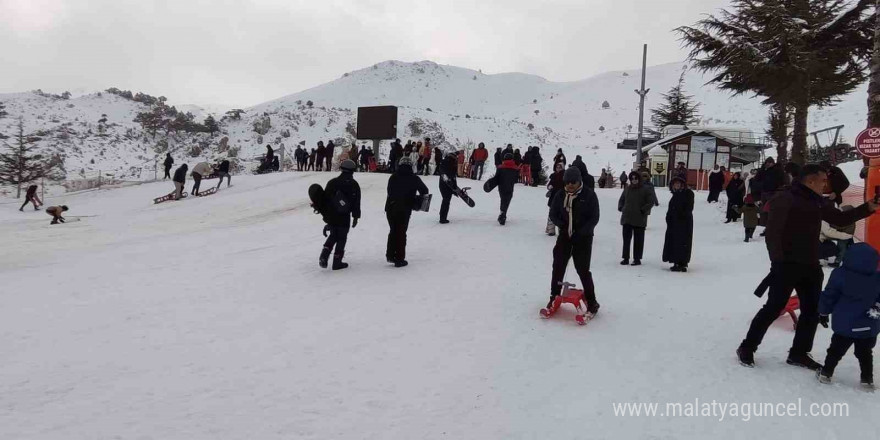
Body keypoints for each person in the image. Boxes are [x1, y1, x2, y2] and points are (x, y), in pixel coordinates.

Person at [737, 164, 878, 370]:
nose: (825, 184)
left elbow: (840, 219)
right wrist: (778, 263)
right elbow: (773, 235)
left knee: (812, 310)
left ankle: (799, 353)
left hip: (810, 264)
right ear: (811, 181)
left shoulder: (817, 201)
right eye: (822, 181)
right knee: (773, 307)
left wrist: (868, 207)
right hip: (786, 265)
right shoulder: (785, 199)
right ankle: (747, 347)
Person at [816, 243, 880, 390]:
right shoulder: (877, 277)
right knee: (865, 353)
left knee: (835, 350)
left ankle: (826, 373)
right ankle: (867, 379)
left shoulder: (840, 274)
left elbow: (829, 296)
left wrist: (823, 312)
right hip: (868, 323)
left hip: (845, 324)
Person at [546, 166, 601, 318]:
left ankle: (592, 302)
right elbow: (553, 213)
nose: (570, 184)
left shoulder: (589, 195)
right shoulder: (560, 195)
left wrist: (582, 231)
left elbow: (594, 217)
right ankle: (553, 297)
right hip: (565, 236)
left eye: (573, 182)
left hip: (583, 239)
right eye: (567, 182)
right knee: (558, 266)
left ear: (579, 181)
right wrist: (562, 225)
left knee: (583, 270)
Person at [385, 156, 429, 267]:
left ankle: (390, 255)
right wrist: (416, 201)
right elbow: (425, 191)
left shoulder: (393, 177)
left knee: (393, 230)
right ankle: (399, 259)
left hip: (390, 207)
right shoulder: (414, 178)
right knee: (401, 233)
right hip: (404, 209)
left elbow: (389, 191)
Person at [319, 159, 361, 270]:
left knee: (333, 235)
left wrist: (326, 215)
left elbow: (325, 200)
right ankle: (337, 262)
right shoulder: (354, 184)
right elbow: (357, 202)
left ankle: (324, 255)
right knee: (342, 238)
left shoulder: (332, 182)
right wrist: (356, 217)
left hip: (332, 215)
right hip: (345, 216)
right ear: (352, 171)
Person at [618, 171, 654, 266]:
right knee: (626, 240)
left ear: (639, 179)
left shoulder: (645, 189)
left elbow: (651, 201)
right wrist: (621, 207)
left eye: (636, 178)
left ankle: (637, 259)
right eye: (632, 178)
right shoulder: (627, 189)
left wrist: (643, 210)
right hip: (627, 218)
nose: (634, 180)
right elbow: (622, 199)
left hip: (639, 219)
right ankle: (625, 258)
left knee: (638, 240)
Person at [662, 177, 694, 272]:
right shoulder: (675, 195)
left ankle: (682, 262)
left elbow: (689, 208)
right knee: (674, 242)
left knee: (683, 242)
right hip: (674, 223)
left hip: (684, 223)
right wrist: (668, 218)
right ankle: (676, 261)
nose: (677, 185)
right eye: (675, 184)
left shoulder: (688, 193)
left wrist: (681, 215)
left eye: (678, 184)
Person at [485, 153, 520, 225]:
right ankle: (503, 214)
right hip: (510, 187)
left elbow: (496, 178)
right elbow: (516, 180)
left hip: (501, 187)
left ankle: (502, 214)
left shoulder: (500, 167)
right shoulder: (516, 168)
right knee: (507, 200)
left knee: (503, 199)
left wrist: (491, 183)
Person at [438, 152, 459, 224]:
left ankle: (442, 215)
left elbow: (453, 176)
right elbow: (443, 173)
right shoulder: (445, 162)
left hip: (446, 184)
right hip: (445, 184)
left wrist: (454, 187)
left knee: (446, 200)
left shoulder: (453, 163)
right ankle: (442, 218)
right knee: (446, 200)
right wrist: (450, 183)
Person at [545, 162, 565, 235]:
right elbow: (549, 184)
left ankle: (561, 230)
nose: (558, 169)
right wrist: (549, 186)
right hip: (553, 197)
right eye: (557, 167)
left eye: (560, 167)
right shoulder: (554, 175)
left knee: (561, 214)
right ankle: (551, 230)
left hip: (562, 197)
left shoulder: (565, 175)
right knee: (552, 214)